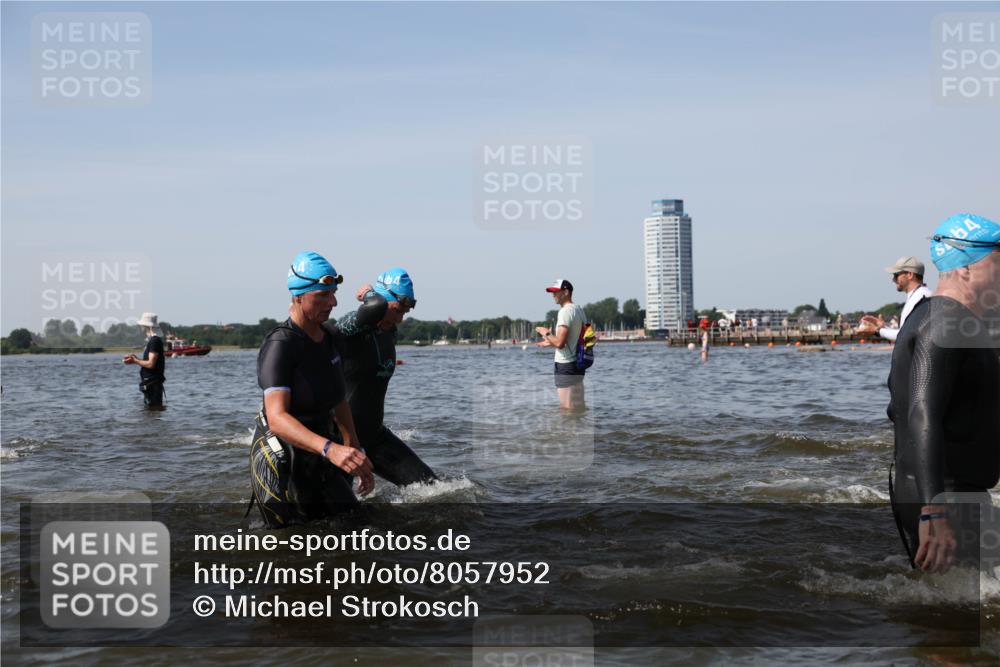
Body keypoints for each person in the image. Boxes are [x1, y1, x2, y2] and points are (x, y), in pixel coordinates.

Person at [887, 213, 1000, 573]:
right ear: (965, 267)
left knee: (950, 611)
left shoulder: (940, 317)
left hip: (938, 491)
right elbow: (921, 413)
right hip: (944, 498)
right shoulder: (945, 321)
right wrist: (934, 509)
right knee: (963, 616)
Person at [249, 251, 374, 528]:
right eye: (323, 295)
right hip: (280, 456)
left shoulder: (330, 337)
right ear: (298, 295)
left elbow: (339, 398)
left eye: (334, 293)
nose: (333, 302)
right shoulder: (281, 344)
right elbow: (277, 418)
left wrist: (354, 449)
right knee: (288, 543)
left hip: (319, 449)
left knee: (359, 526)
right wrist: (331, 449)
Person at [333, 268, 437, 488]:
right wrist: (370, 295)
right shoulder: (352, 328)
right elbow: (374, 308)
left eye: (404, 313)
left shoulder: (390, 331)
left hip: (374, 436)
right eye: (397, 310)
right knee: (341, 517)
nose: (399, 318)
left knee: (431, 488)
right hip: (340, 441)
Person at [536, 279, 586, 409]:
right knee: (579, 406)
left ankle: (567, 430)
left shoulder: (565, 312)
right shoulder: (579, 310)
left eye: (556, 292)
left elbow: (560, 343)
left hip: (565, 365)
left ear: (566, 292)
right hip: (578, 364)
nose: (553, 295)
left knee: (566, 408)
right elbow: (573, 340)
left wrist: (546, 333)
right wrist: (550, 342)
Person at [859, 257, 932, 341]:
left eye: (896, 275)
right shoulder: (917, 295)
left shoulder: (921, 297)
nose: (893, 279)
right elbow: (904, 333)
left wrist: (877, 331)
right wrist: (883, 326)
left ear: (910, 275)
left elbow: (907, 335)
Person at [123, 312, 165, 407]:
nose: (141, 327)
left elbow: (151, 364)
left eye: (142, 325)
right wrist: (136, 359)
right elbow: (150, 362)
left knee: (152, 412)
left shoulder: (154, 341)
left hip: (153, 385)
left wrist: (135, 361)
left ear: (147, 326)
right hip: (151, 384)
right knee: (152, 414)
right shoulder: (153, 341)